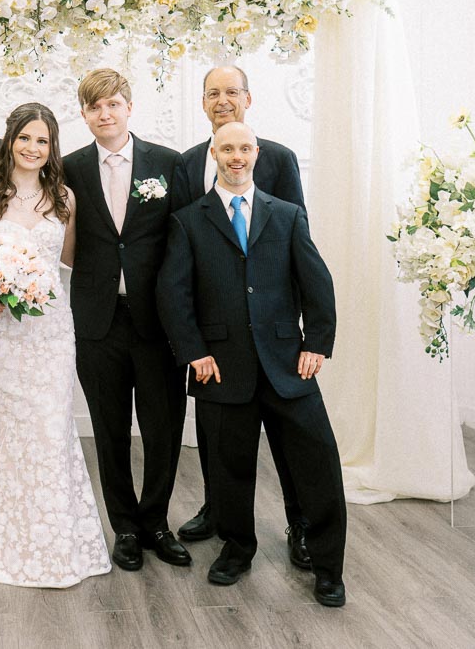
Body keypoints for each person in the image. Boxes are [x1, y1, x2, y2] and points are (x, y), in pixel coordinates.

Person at [157, 121, 347, 607]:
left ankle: (328, 565)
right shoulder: (188, 221)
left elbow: (317, 282)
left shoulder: (287, 215)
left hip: (288, 364)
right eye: (227, 149)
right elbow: (173, 294)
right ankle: (237, 549)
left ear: (257, 153)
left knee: (318, 465)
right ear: (214, 155)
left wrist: (317, 342)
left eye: (244, 148)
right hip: (220, 367)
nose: (236, 156)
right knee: (228, 469)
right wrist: (194, 351)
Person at [0, 103, 111, 588]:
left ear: (51, 147)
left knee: (51, 426)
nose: (33, 148)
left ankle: (56, 539)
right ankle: (0, 539)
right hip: (0, 335)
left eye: (42, 141)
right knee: (4, 430)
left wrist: (31, 283)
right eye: (25, 138)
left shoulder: (63, 198)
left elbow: (66, 262)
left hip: (51, 333)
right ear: (10, 140)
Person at [170, 65, 312, 571]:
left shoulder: (278, 157)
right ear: (202, 102)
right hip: (216, 332)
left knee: (290, 440)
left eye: (232, 91)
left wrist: (298, 332)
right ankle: (218, 511)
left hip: (272, 331)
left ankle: (300, 527)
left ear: (248, 99)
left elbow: (298, 242)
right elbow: (182, 245)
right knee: (219, 435)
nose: (223, 100)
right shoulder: (188, 162)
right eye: (213, 93)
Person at [62, 69, 191, 572]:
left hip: (158, 322)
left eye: (113, 104)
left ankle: (156, 522)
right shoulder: (69, 168)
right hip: (98, 320)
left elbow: (183, 240)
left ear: (129, 107)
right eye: (95, 107)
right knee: (109, 429)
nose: (105, 114)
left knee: (163, 428)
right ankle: (126, 529)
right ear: (84, 114)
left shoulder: (168, 163)